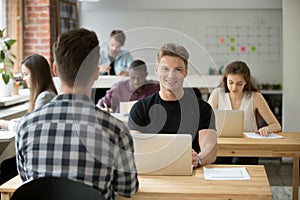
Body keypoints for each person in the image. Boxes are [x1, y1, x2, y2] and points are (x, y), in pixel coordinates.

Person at [15, 28, 139, 200]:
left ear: (55, 69)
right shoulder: (116, 130)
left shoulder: (25, 127)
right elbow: (128, 189)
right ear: (96, 73)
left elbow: (28, 184)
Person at [128, 43, 218, 168]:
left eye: (178, 69)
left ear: (186, 72)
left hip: (192, 174)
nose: (171, 75)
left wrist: (199, 159)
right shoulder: (140, 109)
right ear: (156, 70)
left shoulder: (202, 109)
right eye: (165, 69)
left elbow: (210, 148)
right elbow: (136, 147)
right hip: (153, 175)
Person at [208, 60, 281, 164]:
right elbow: (204, 121)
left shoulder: (255, 97)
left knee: (239, 163)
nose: (234, 87)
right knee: (218, 165)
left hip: (247, 147)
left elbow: (276, 125)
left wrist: (266, 129)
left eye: (239, 83)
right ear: (225, 80)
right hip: (222, 145)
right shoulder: (217, 94)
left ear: (246, 82)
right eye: (231, 82)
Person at [0, 54, 57, 185]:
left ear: (37, 74)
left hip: (39, 157)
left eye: (26, 74)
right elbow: (31, 119)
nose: (24, 79)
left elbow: (30, 127)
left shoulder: (45, 97)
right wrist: (18, 120)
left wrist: (5, 124)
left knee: (6, 167)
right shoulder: (47, 94)